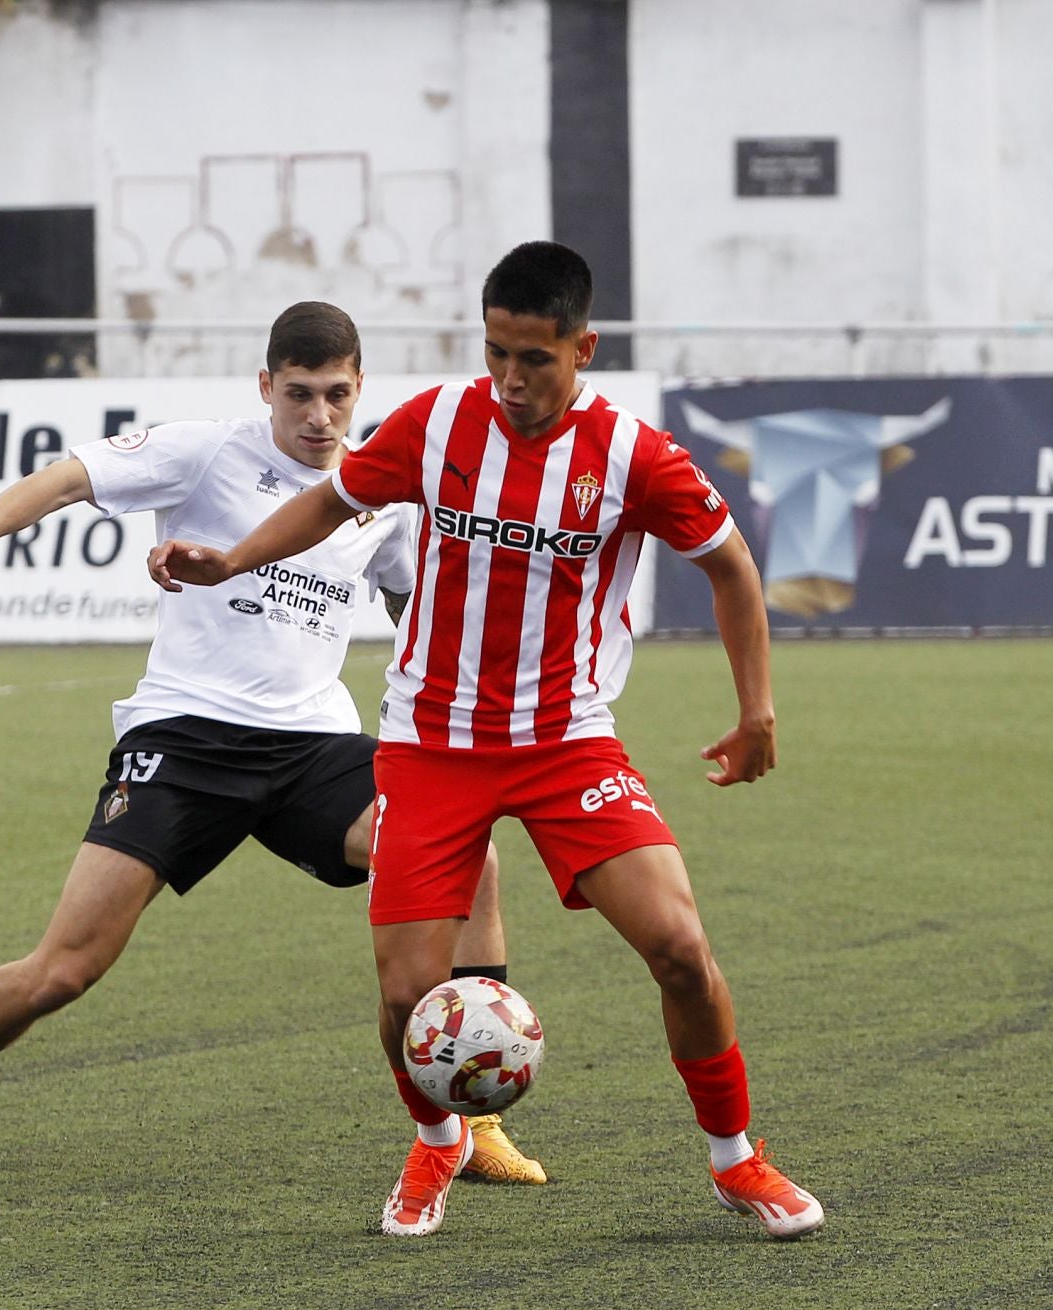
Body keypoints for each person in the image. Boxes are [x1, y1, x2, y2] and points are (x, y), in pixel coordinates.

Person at [148, 244, 824, 1239]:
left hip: (568, 742)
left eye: (535, 359)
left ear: (582, 346)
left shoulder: (635, 456)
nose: (511, 379)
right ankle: (436, 1140)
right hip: (431, 742)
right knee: (405, 991)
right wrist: (233, 556)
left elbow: (730, 565)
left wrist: (757, 709)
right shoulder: (435, 425)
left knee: (681, 947)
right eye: (497, 352)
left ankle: (737, 1160)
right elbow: (333, 500)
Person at [0, 301, 545, 1186]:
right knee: (64, 970)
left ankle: (475, 1115)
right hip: (185, 742)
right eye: (299, 395)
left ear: (358, 390)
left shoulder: (375, 492)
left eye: (337, 396)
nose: (318, 417)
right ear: (266, 386)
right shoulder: (207, 450)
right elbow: (66, 478)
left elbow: (410, 605)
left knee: (470, 852)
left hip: (312, 747)